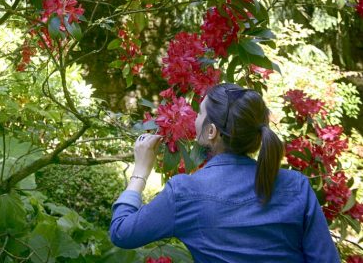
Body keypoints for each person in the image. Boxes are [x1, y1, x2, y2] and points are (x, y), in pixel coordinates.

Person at [109, 83, 340, 262]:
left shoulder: (185, 192)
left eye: (199, 113)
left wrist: (140, 171)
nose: (195, 119)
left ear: (211, 131)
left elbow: (122, 232)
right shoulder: (296, 186)